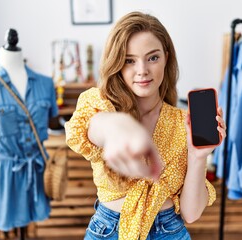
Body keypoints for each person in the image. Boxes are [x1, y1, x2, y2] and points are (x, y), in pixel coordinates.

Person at [65, 11, 226, 240]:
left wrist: (198, 156)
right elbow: (96, 126)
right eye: (130, 60)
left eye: (152, 58)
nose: (142, 70)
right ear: (117, 63)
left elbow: (191, 213)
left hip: (169, 231)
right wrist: (116, 127)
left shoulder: (183, 122)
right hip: (108, 231)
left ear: (166, 58)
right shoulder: (100, 106)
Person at [0, 29, 58, 233]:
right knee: (10, 225)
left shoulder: (45, 84)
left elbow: (52, 120)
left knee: (31, 221)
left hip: (37, 168)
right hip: (4, 171)